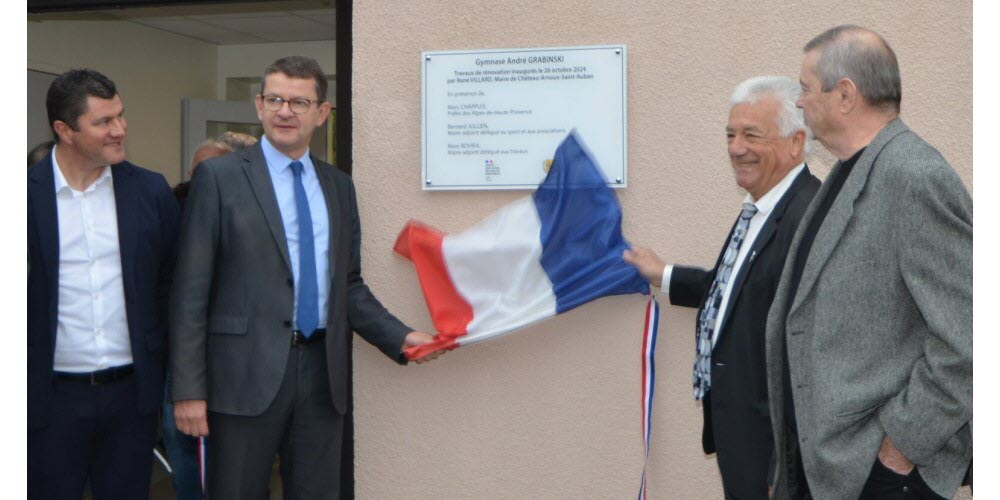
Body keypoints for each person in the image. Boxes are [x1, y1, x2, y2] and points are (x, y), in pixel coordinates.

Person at [169, 55, 440, 499]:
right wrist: (188, 391)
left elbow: (347, 285)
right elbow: (190, 291)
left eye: (299, 102)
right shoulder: (219, 179)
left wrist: (400, 336)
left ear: (322, 113)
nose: (285, 111)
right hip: (242, 378)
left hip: (321, 375)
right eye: (275, 99)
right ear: (258, 106)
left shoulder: (338, 186)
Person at [766, 25, 972, 499]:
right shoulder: (846, 171)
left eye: (804, 87)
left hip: (880, 475)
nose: (797, 102)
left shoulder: (914, 176)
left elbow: (970, 336)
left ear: (845, 94)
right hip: (831, 471)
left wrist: (898, 451)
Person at [624, 76, 819, 499]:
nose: (735, 148)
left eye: (751, 135)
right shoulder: (761, 206)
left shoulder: (808, 218)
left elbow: (812, 359)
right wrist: (665, 274)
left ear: (796, 142)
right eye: (730, 134)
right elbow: (736, 289)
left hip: (773, 454)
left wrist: (784, 469)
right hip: (742, 438)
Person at [27, 68, 179, 498]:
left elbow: (170, 284)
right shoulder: (23, 197)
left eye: (120, 116)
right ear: (65, 130)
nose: (120, 130)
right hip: (48, 398)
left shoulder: (150, 191)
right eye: (104, 122)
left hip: (132, 396)